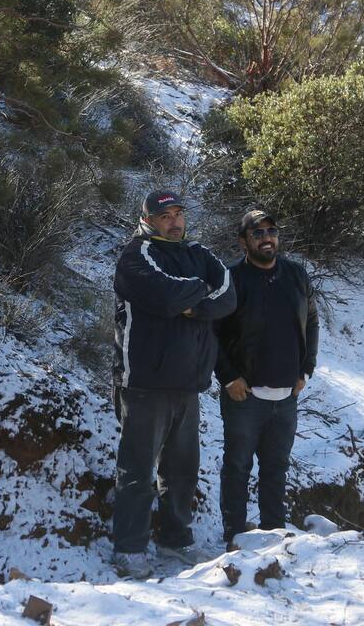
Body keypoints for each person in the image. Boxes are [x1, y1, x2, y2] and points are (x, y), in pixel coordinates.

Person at [111, 190, 237, 578]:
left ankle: (175, 538)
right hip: (145, 383)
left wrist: (189, 300)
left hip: (189, 383)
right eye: (165, 215)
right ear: (148, 218)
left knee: (182, 470)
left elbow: (228, 296)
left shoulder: (199, 253)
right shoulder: (136, 255)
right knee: (137, 469)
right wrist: (200, 292)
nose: (175, 221)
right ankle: (129, 548)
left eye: (179, 214)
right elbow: (163, 296)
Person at [215, 210, 319, 547]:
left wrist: (306, 369)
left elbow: (312, 321)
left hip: (287, 396)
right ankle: (234, 537)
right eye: (257, 232)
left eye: (271, 231)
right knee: (238, 468)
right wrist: (229, 377)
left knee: (276, 469)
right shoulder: (231, 278)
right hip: (245, 398)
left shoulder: (295, 274)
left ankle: (275, 535)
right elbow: (211, 332)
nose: (266, 238)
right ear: (243, 239)